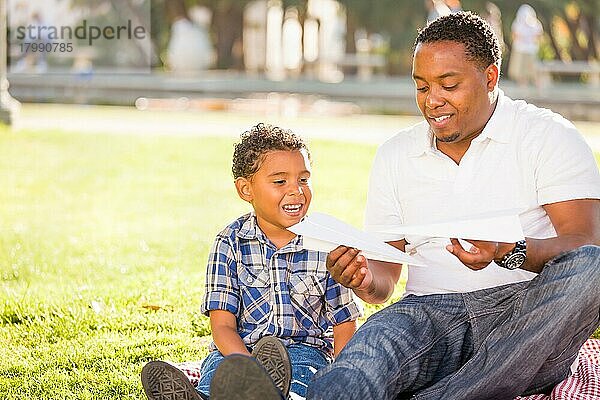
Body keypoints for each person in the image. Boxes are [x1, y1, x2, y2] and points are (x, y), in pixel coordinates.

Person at [306, 12, 600, 400]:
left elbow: (586, 243)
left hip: (527, 314)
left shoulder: (547, 136)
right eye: (422, 86)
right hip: (426, 315)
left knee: (593, 266)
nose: (432, 101)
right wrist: (362, 276)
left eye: (449, 85)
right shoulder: (395, 155)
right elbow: (385, 281)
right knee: (366, 358)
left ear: (490, 77)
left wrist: (510, 250)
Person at [140, 123, 362, 400]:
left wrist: (342, 378)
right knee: (219, 378)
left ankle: (278, 396)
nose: (297, 191)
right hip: (235, 353)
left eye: (303, 180)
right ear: (246, 189)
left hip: (303, 355)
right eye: (280, 182)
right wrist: (249, 369)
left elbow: (344, 322)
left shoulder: (329, 246)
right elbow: (222, 326)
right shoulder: (229, 243)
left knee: (299, 387)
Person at [508, 4, 543, 87]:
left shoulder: (534, 23)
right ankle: (524, 85)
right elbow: (515, 35)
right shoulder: (518, 23)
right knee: (522, 70)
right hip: (522, 49)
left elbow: (538, 35)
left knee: (532, 69)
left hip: (530, 49)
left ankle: (535, 85)